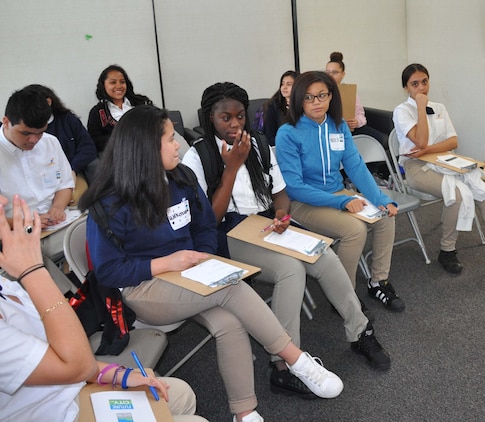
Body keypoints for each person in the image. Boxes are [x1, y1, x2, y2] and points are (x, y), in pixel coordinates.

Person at [78, 105, 343, 422]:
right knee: (230, 288)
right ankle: (296, 360)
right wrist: (167, 263)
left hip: (190, 276)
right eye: (169, 138)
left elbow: (204, 227)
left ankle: (244, 413)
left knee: (228, 323)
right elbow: (108, 270)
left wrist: (201, 258)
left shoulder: (181, 178)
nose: (178, 144)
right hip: (142, 288)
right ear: (146, 148)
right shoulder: (109, 201)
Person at [181, 82, 391, 393]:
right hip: (228, 232)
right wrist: (231, 169)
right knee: (291, 270)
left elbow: (280, 194)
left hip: (267, 223)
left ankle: (360, 331)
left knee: (324, 254)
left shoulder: (259, 145)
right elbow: (208, 220)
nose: (235, 123)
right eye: (226, 118)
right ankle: (284, 364)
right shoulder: (197, 157)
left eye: (240, 116)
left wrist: (282, 214)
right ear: (209, 117)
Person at [0, 193, 208, 422]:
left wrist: (118, 375)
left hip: (70, 394)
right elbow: (78, 366)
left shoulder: (5, 285)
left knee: (181, 395)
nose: (3, 201)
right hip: (56, 412)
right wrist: (32, 270)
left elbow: (57, 357)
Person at [275, 71, 405, 312]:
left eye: (321, 95)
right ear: (298, 101)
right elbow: (294, 187)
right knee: (354, 230)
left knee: (384, 216)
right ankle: (345, 297)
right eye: (308, 97)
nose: (316, 102)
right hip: (303, 204)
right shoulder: (288, 133)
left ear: (331, 97)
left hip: (337, 193)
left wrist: (379, 198)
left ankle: (378, 282)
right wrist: (342, 203)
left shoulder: (339, 126)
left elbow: (355, 166)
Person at [392, 63, 485, 275]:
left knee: (484, 191)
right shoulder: (402, 111)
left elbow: (452, 141)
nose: (421, 88)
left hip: (445, 161)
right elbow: (420, 141)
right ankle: (447, 250)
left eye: (424, 81)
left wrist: (428, 149)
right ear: (406, 88)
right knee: (457, 195)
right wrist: (421, 109)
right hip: (416, 167)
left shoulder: (439, 107)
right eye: (415, 84)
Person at [0, 87, 74, 269]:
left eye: (40, 132)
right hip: (15, 232)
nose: (34, 140)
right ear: (6, 122)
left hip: (54, 226)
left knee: (98, 229)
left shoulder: (50, 142)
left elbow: (65, 184)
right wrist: (28, 222)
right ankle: (61, 295)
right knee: (37, 257)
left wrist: (57, 208)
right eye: (25, 133)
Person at [25, 84, 98, 184]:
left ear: (48, 102)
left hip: (75, 168)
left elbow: (88, 147)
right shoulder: (26, 128)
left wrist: (73, 169)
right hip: (45, 175)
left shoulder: (67, 119)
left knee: (96, 167)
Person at [325, 52, 388, 148]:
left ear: (343, 74)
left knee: (382, 139)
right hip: (333, 131)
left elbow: (360, 113)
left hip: (352, 128)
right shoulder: (321, 92)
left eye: (334, 72)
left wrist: (357, 122)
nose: (330, 76)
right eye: (327, 72)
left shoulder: (349, 91)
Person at [87, 64, 153, 153]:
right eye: (113, 82)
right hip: (118, 156)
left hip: (148, 150)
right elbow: (95, 140)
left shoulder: (141, 103)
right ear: (103, 85)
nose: (119, 86)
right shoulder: (97, 112)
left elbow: (156, 123)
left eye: (122, 82)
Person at [262, 71, 297, 146]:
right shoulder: (272, 106)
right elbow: (269, 135)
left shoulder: (303, 105)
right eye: (282, 84)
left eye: (289, 84)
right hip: (279, 146)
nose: (284, 87)